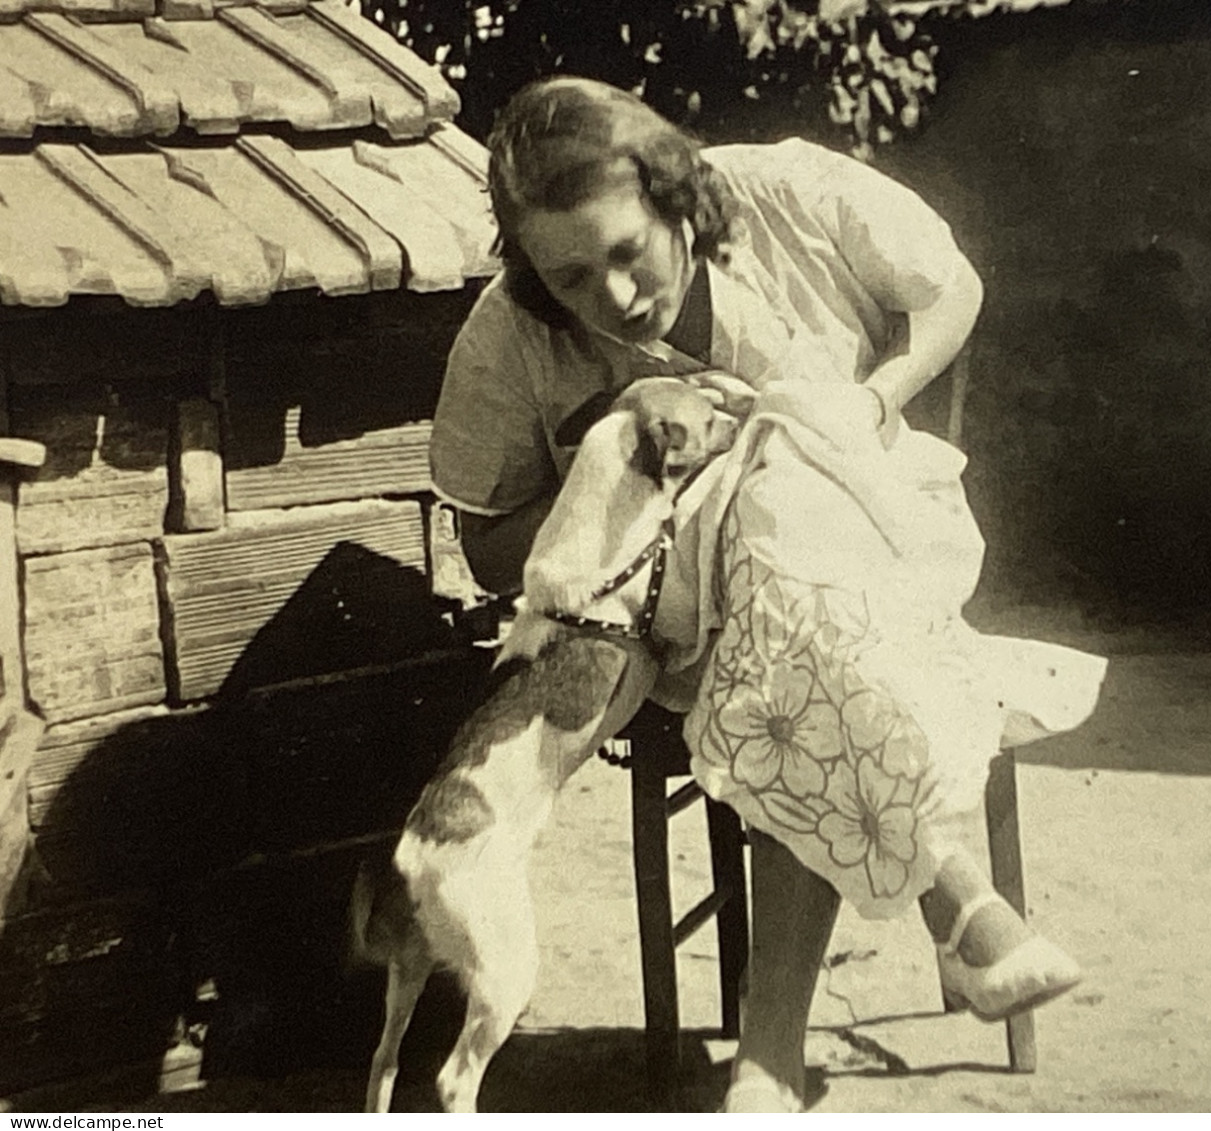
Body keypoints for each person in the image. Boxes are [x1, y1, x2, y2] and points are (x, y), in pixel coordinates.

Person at [429, 76, 1107, 1112]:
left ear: (674, 199)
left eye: (627, 253)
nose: (609, 298)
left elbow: (948, 289)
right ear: (526, 267)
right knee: (776, 596)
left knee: (790, 543)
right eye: (567, 278)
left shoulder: (786, 198)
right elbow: (486, 544)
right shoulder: (509, 335)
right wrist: (623, 461)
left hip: (877, 537)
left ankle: (774, 1060)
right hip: (677, 621)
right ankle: (953, 906)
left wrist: (875, 400)